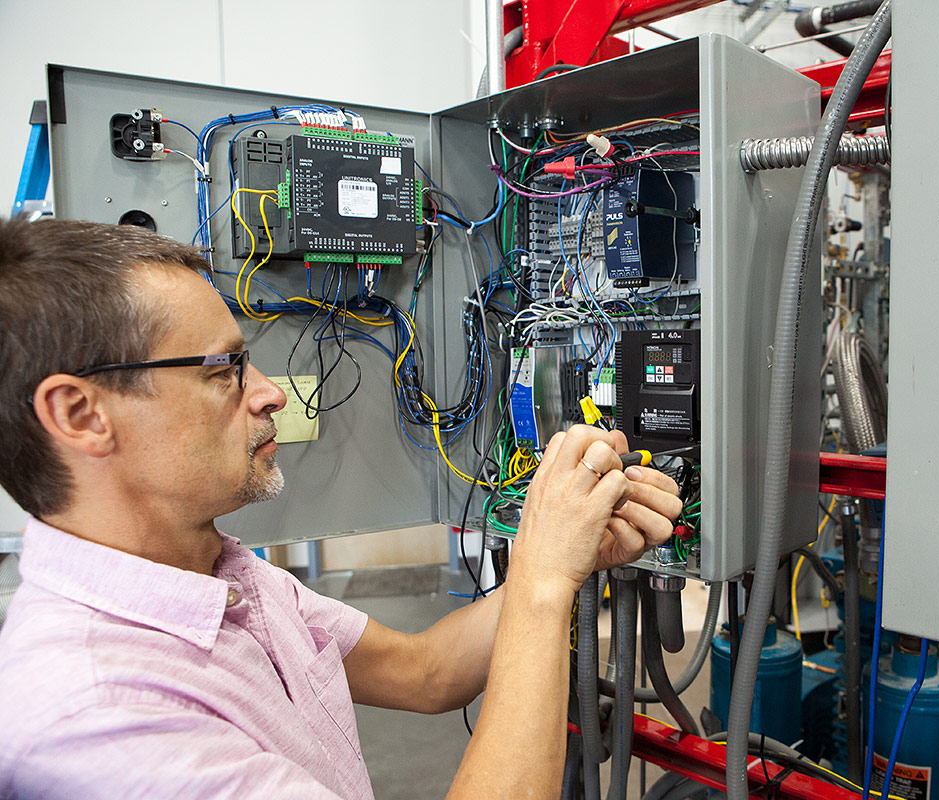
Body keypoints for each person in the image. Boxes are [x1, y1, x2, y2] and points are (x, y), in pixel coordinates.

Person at [0, 216, 682, 799]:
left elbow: (426, 671)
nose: (269, 394)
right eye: (222, 369)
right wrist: (541, 584)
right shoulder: (98, 718)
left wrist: (569, 553)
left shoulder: (221, 577)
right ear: (81, 414)